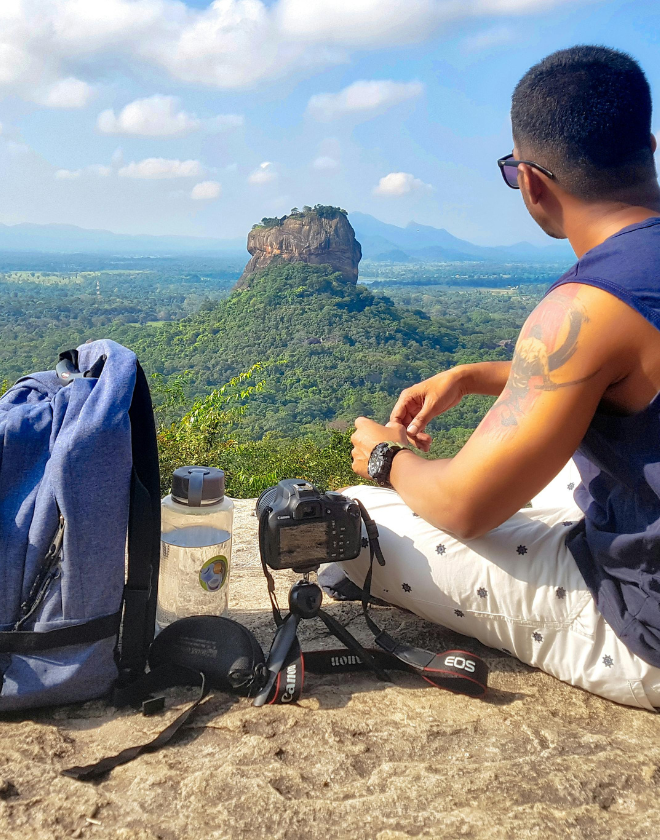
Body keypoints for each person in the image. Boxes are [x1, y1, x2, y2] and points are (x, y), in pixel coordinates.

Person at [332, 46, 660, 710]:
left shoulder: (583, 308)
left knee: (349, 525)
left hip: (645, 632)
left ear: (533, 182)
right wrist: (480, 375)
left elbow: (465, 506)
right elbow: (630, 368)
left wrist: (384, 457)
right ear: (648, 147)